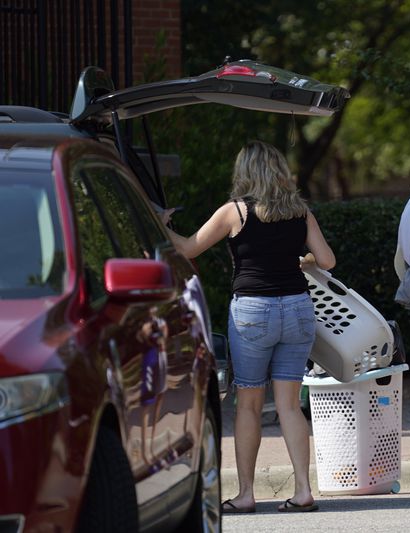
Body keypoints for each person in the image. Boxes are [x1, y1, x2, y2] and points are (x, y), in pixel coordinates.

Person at [162, 141, 335, 513]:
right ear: (277, 171)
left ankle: (245, 495)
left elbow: (188, 248)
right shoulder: (300, 212)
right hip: (298, 309)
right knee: (290, 405)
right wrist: (300, 260)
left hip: (253, 312)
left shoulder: (235, 211)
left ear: (245, 172)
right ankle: (304, 491)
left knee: (249, 406)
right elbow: (327, 260)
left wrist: (160, 225)